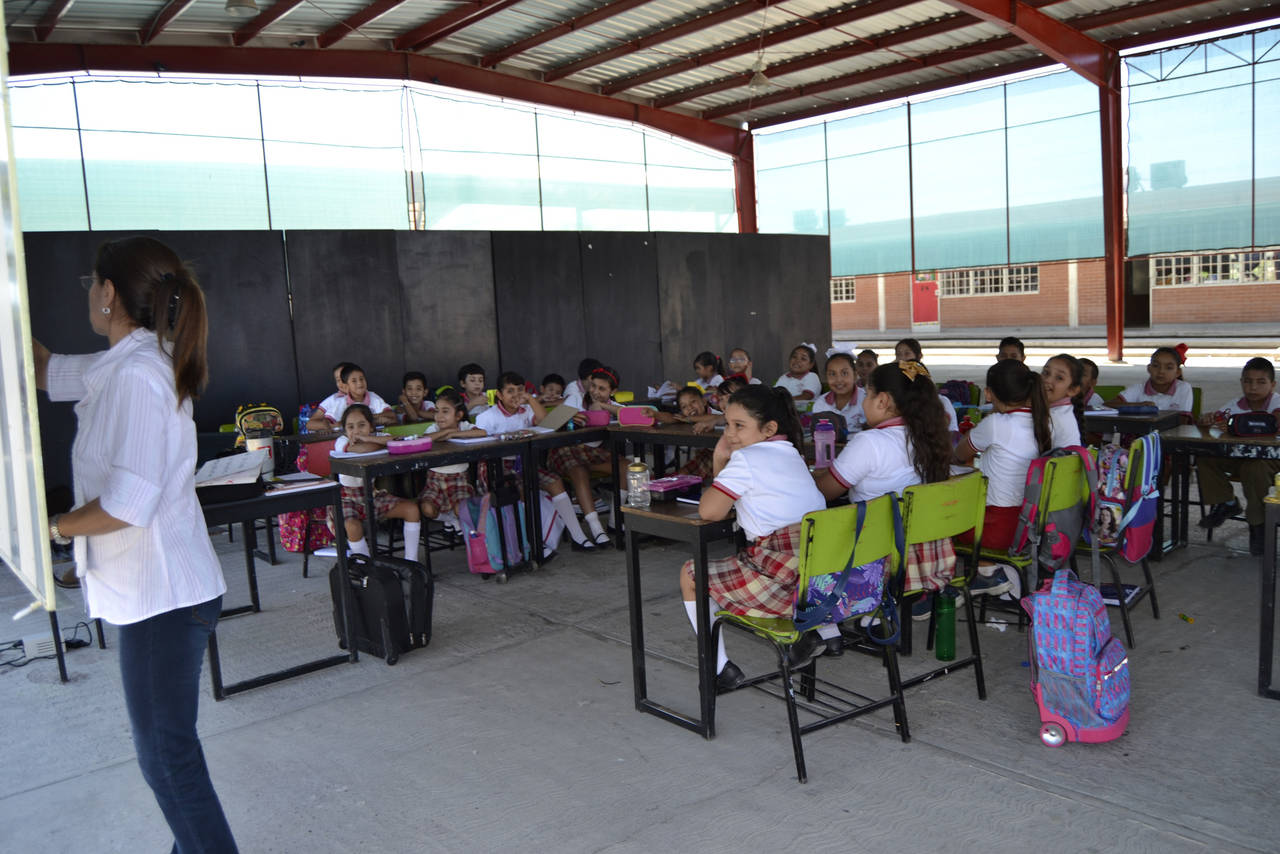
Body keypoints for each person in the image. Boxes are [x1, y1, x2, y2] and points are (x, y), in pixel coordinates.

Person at [33, 235, 239, 852]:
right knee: (169, 755)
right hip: (154, 595)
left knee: (168, 762)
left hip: (164, 600)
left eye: (90, 284)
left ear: (109, 292)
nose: (88, 295)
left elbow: (128, 502)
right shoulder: (124, 363)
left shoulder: (140, 376)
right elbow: (42, 371)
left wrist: (50, 528)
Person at [676, 386, 826, 690]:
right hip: (820, 584)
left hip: (782, 583)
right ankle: (816, 632)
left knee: (691, 574)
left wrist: (720, 457)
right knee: (744, 560)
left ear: (769, 428)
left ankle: (720, 669)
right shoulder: (793, 454)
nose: (729, 434)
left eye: (739, 426)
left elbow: (710, 511)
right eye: (726, 425)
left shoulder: (747, 459)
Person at [814, 360, 955, 627]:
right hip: (921, 551)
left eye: (867, 395)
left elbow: (826, 492)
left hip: (876, 559)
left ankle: (833, 624)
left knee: (809, 532)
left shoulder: (870, 442)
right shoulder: (928, 435)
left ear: (883, 401)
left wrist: (811, 474)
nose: (864, 402)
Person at [954, 359, 1052, 595]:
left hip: (994, 530)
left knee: (940, 518)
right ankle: (990, 571)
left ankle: (984, 573)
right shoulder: (1044, 421)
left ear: (988, 394)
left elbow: (959, 454)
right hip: (1027, 526)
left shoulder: (996, 423)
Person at [475, 371, 596, 553]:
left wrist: (531, 400)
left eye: (519, 390)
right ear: (499, 395)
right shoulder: (487, 417)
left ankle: (578, 536)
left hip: (524, 463)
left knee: (555, 482)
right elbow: (480, 448)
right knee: (521, 490)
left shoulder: (527, 410)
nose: (516, 395)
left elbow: (545, 423)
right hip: (497, 468)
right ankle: (531, 543)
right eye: (510, 391)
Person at [1197, 357, 1280, 555]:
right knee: (1205, 455)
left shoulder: (1277, 403)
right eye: (1248, 381)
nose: (1253, 387)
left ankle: (1259, 526)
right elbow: (1214, 419)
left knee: (1255, 468)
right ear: (1242, 382)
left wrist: (1237, 425)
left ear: (1272, 385)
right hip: (1242, 457)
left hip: (1272, 460)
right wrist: (1207, 420)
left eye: (1261, 382)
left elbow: (1272, 422)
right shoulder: (1235, 405)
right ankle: (1226, 502)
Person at [547, 366, 624, 547]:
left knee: (627, 467)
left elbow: (636, 416)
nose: (595, 392)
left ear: (613, 391)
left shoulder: (614, 407)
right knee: (578, 469)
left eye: (602, 389)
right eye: (593, 386)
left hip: (592, 455)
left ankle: (614, 521)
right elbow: (550, 423)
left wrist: (604, 407)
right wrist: (569, 419)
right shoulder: (575, 399)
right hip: (565, 451)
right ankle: (596, 528)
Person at [332, 404, 422, 559]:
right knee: (352, 526)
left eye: (362, 425)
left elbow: (393, 440)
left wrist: (367, 438)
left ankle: (411, 562)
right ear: (345, 430)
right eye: (350, 427)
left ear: (371, 427)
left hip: (372, 495)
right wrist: (376, 441)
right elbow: (363, 449)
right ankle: (366, 567)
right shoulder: (341, 442)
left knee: (412, 509)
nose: (356, 431)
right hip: (346, 498)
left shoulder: (375, 437)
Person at [415, 389, 485, 531]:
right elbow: (423, 439)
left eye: (445, 411)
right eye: (436, 411)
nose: (439, 416)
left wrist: (454, 433)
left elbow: (482, 432)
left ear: (458, 415)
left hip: (459, 481)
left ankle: (457, 520)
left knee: (462, 509)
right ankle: (449, 519)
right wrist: (446, 432)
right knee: (427, 509)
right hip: (434, 481)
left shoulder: (464, 426)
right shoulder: (433, 428)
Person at [1110, 346, 1194, 422]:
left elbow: (1183, 420)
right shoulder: (1138, 388)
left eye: (1169, 368)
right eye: (1156, 366)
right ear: (1149, 368)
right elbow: (1108, 405)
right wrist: (1139, 405)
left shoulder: (1183, 388)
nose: (1161, 371)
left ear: (1178, 372)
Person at [307, 363, 395, 429]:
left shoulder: (372, 397)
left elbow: (391, 415)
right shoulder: (337, 401)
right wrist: (329, 426)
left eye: (361, 379)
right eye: (339, 380)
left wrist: (372, 418)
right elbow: (318, 423)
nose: (359, 383)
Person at [812, 351, 866, 431]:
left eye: (844, 373)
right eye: (832, 374)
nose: (839, 380)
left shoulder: (866, 400)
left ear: (854, 375)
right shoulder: (821, 404)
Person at [1041, 353, 1084, 447]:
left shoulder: (1054, 417)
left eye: (1059, 378)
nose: (1047, 380)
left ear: (1072, 390)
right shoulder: (1057, 411)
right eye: (1046, 373)